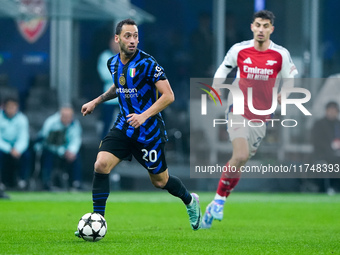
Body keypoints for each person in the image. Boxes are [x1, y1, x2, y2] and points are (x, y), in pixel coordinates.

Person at [76, 19, 202, 234]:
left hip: (148, 131)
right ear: (117, 39)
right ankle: (98, 222)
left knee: (160, 181)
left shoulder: (148, 63)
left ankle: (190, 201)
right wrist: (96, 101)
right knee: (101, 165)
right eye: (128, 36)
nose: (133, 40)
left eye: (135, 36)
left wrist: (143, 116)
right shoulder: (113, 63)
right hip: (124, 126)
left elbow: (169, 95)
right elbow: (120, 86)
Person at [202, 10, 298, 228]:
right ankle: (218, 201)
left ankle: (218, 202)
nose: (261, 29)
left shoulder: (280, 54)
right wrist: (215, 90)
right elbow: (222, 70)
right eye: (258, 25)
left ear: (271, 29)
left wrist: (286, 92)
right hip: (237, 109)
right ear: (252, 27)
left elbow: (291, 77)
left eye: (266, 26)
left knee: (242, 160)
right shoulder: (239, 49)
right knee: (241, 154)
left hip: (261, 117)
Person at [36, 106, 82, 190]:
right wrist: (62, 151)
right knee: (48, 155)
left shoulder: (75, 124)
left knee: (76, 157)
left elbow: (76, 140)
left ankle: (75, 183)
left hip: (66, 151)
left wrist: (71, 151)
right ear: (60, 115)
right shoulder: (51, 122)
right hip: (50, 149)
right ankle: (47, 182)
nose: (67, 119)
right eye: (65, 116)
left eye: (69, 117)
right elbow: (47, 141)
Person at [0, 97, 30, 193]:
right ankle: (1, 182)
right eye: (10, 107)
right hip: (3, 146)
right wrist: (9, 149)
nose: (12, 109)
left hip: (17, 147)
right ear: (4, 107)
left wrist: (17, 149)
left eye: (14, 107)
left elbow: (23, 137)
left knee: (26, 155)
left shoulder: (22, 119)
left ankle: (22, 180)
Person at [311, 101, 340, 195]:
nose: (332, 112)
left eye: (334, 110)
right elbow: (317, 142)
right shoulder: (319, 124)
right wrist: (331, 148)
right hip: (323, 155)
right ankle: (330, 188)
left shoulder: (338, 124)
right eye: (330, 110)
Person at [97, 36, 120, 138]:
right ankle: (104, 145)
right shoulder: (104, 57)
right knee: (107, 123)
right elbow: (104, 75)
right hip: (109, 97)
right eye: (114, 43)